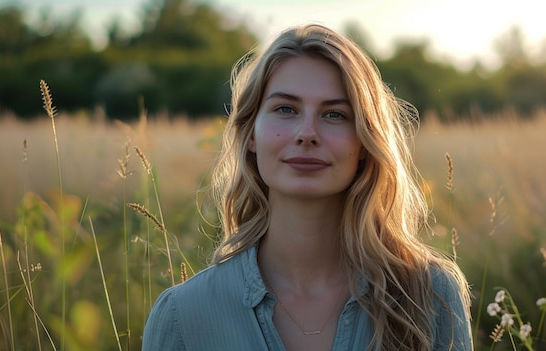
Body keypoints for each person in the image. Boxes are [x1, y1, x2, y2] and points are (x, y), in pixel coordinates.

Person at [142, 24, 472, 351]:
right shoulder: (182, 314)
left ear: (365, 142)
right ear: (251, 134)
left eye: (334, 114)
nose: (307, 133)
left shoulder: (430, 295)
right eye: (285, 109)